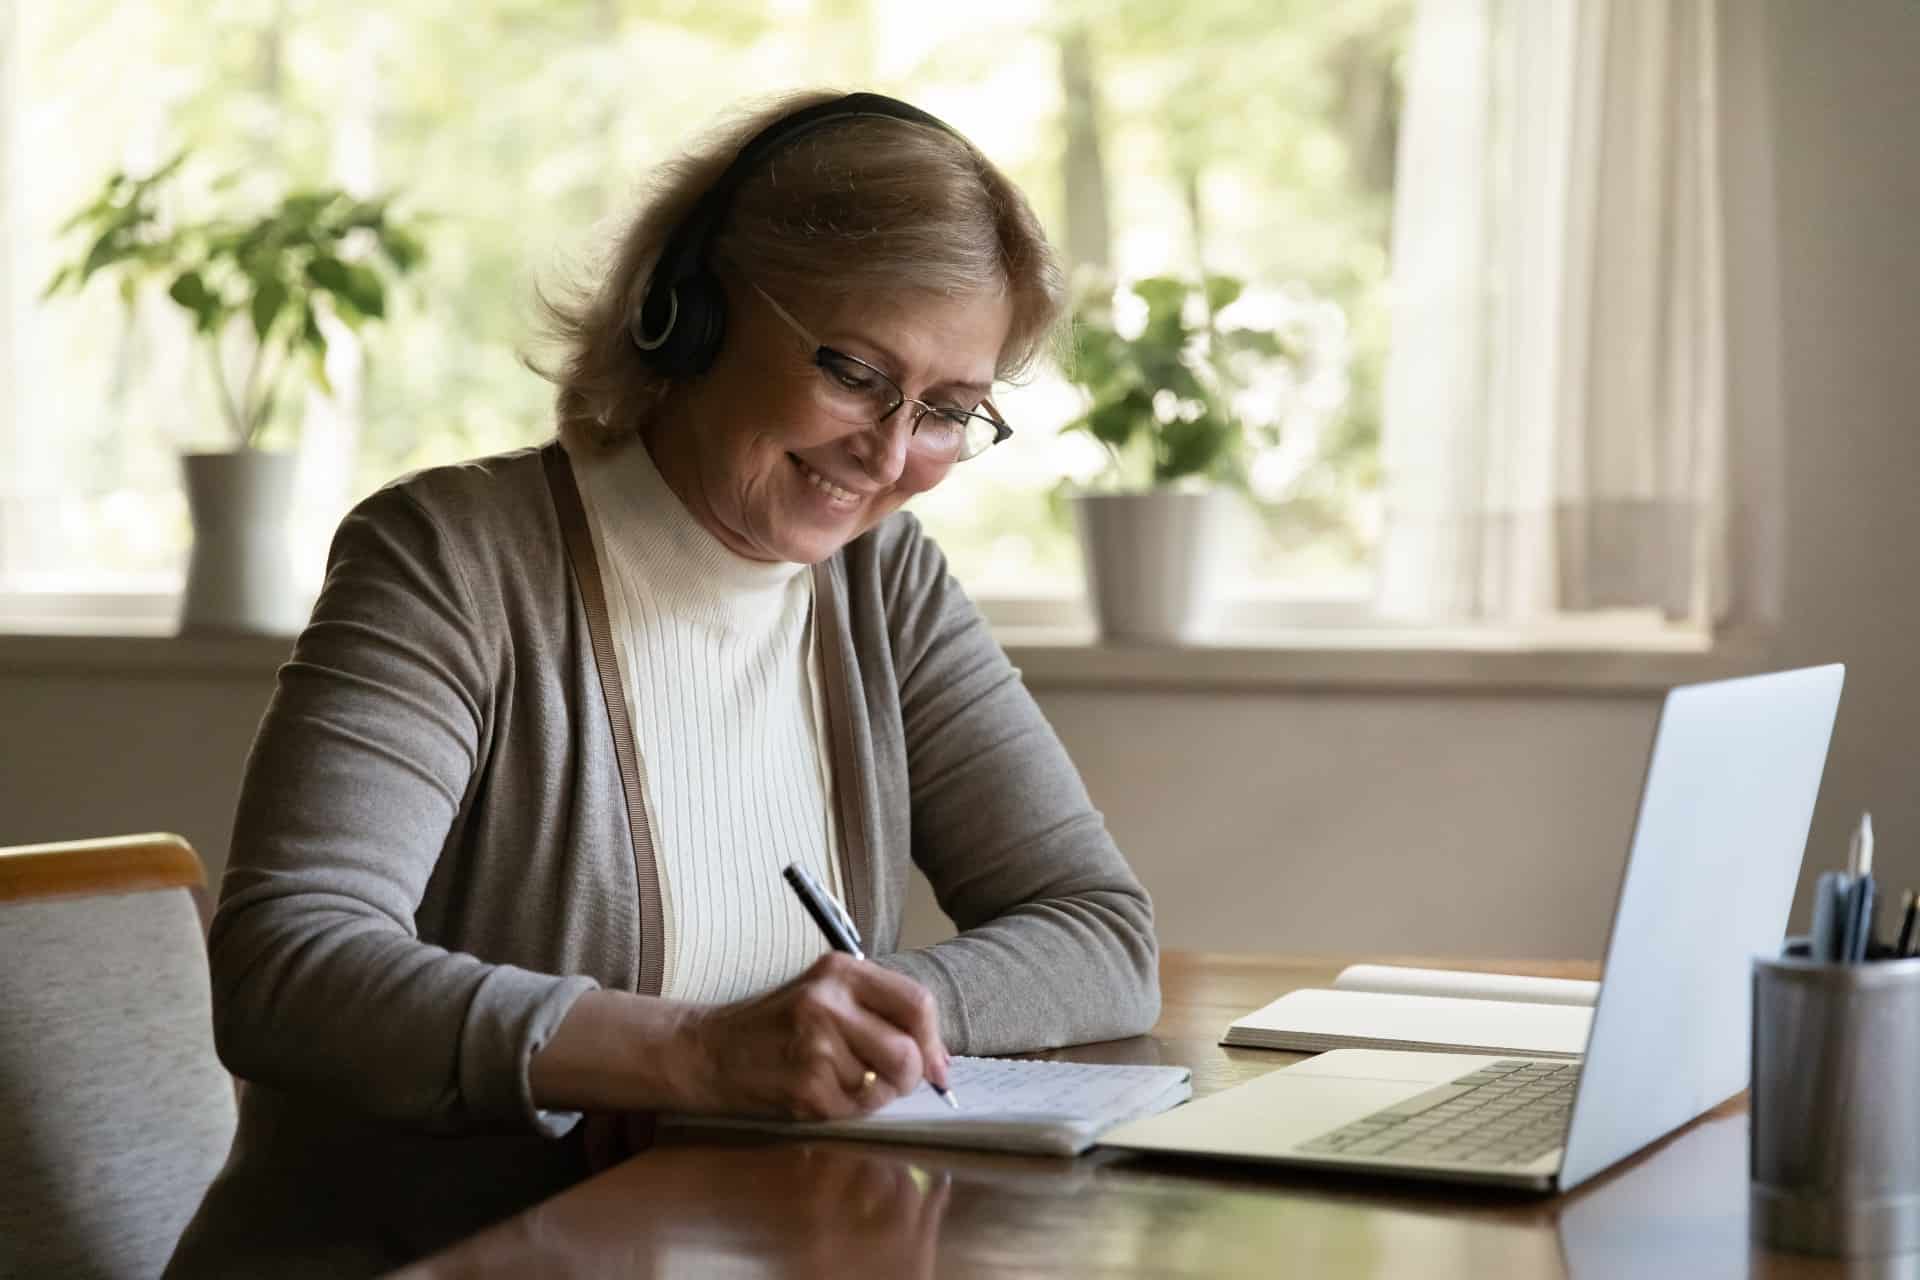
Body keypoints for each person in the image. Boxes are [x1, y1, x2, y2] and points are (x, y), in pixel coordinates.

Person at [167, 89, 1159, 1277]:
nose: (892, 456)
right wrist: (688, 1053)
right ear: (686, 315)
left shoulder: (881, 583)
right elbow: (287, 964)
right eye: (854, 372)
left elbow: (1100, 930)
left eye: (948, 411)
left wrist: (844, 1019)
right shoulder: (452, 556)